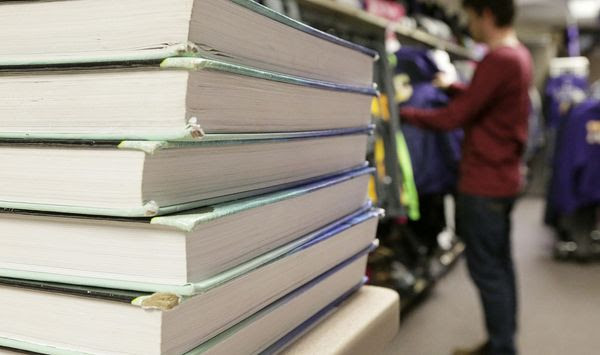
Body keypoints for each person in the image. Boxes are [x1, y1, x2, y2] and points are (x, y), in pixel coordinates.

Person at [398, 0, 532, 354]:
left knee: (487, 269)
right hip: (501, 179)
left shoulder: (498, 58)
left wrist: (404, 114)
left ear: (486, 14)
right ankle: (501, 343)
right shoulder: (518, 56)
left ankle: (502, 348)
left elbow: (454, 118)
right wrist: (451, 87)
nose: (470, 25)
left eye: (472, 17)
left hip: (484, 183)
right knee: (499, 266)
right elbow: (482, 101)